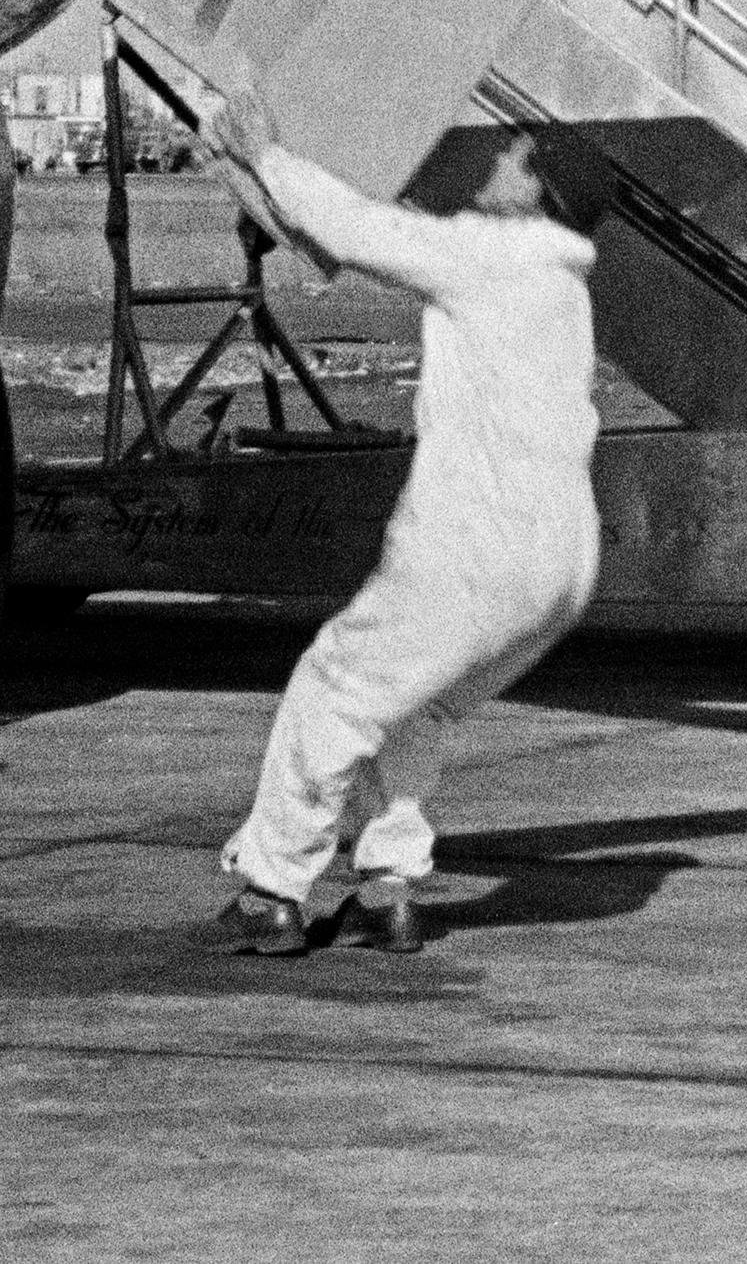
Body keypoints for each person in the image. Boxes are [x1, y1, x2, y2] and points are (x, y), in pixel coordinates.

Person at [205, 94, 608, 958]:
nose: (497, 159)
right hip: (563, 561)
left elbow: (357, 231)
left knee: (338, 686)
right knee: (417, 708)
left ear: (540, 192)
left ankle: (273, 885)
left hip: (475, 543)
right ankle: (387, 889)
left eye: (516, 155)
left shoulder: (493, 253)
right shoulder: (565, 282)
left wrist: (267, 156)